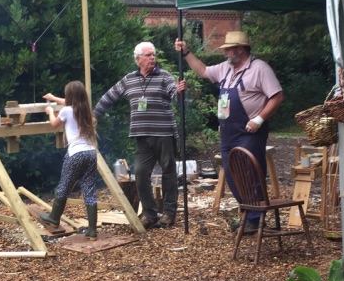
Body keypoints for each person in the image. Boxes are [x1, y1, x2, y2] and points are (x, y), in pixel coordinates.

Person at [175, 30, 284, 234]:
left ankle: (255, 218)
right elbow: (204, 71)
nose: (225, 53)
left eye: (229, 50)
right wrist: (186, 52)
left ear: (240, 50)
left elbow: (277, 97)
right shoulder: (226, 68)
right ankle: (248, 213)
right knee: (233, 175)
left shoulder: (259, 68)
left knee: (250, 172)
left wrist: (259, 119)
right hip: (228, 132)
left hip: (249, 131)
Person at [93, 41, 181, 229]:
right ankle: (149, 213)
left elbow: (176, 96)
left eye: (153, 55)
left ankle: (168, 213)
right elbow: (109, 96)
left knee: (168, 173)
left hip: (164, 133)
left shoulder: (165, 76)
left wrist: (180, 92)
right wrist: (95, 115)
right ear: (137, 59)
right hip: (142, 136)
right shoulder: (129, 79)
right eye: (148, 55)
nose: (152, 58)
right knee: (140, 174)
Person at [39, 81, 99, 240]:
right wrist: (53, 97)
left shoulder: (66, 111)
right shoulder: (86, 111)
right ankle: (92, 231)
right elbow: (70, 105)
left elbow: (54, 124)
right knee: (89, 190)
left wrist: (50, 111)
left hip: (76, 154)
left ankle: (54, 217)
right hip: (91, 153)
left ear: (70, 96)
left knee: (64, 185)